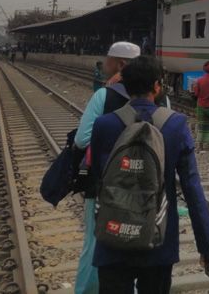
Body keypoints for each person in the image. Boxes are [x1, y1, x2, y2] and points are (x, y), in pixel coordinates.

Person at [90, 56, 209, 293]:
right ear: (157, 86)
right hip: (158, 241)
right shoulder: (175, 125)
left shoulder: (104, 125)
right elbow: (192, 189)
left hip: (113, 237)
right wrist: (207, 247)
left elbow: (98, 178)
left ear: (126, 86)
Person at [73, 42, 141, 294]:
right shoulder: (162, 98)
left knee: (94, 243)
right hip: (143, 186)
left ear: (120, 64)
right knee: (139, 241)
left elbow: (82, 139)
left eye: (108, 58)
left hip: (104, 184)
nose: (104, 62)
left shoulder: (104, 95)